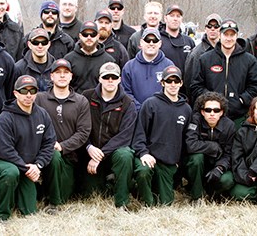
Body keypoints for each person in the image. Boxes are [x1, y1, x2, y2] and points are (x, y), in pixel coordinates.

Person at [0, 75, 56, 220]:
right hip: (9, 164)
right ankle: (3, 214)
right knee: (10, 173)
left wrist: (38, 165)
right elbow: (5, 150)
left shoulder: (42, 114)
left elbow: (49, 143)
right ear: (15, 93)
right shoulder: (5, 117)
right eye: (24, 91)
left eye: (32, 91)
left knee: (29, 212)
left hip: (30, 167)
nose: (28, 95)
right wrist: (26, 167)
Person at [35, 59, 91, 212]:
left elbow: (83, 132)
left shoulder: (80, 101)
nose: (62, 76)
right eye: (58, 73)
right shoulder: (39, 99)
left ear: (71, 76)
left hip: (70, 157)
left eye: (65, 73)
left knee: (65, 194)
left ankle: (50, 193)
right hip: (43, 156)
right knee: (53, 156)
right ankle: (52, 203)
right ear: (51, 76)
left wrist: (63, 146)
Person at [131, 65, 191, 206]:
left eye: (176, 81)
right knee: (143, 172)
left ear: (181, 83)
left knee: (166, 203)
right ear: (162, 83)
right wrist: (143, 153)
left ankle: (148, 190)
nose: (173, 85)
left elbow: (186, 140)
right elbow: (139, 134)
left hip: (169, 163)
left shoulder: (186, 109)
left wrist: (179, 161)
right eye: (169, 81)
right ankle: (146, 202)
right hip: (149, 158)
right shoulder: (150, 104)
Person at [80, 62, 136, 208]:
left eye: (114, 77)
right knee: (90, 194)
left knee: (126, 155)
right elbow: (79, 128)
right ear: (100, 79)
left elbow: (125, 136)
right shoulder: (86, 97)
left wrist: (101, 155)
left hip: (112, 154)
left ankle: (122, 201)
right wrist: (88, 147)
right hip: (89, 152)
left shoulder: (128, 103)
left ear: (119, 79)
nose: (110, 80)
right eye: (106, 77)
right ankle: (108, 181)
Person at [190, 19, 257, 124]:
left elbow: (256, 87)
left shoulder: (249, 60)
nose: (228, 38)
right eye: (226, 34)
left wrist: (241, 100)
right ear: (220, 35)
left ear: (237, 36)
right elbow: (196, 86)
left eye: (232, 35)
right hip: (211, 118)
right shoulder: (205, 59)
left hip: (239, 118)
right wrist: (212, 101)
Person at [184, 91, 236, 201]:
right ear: (202, 112)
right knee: (196, 158)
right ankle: (197, 196)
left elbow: (229, 153)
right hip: (198, 166)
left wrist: (220, 168)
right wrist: (213, 147)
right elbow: (190, 145)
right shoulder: (195, 120)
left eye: (216, 110)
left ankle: (213, 193)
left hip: (217, 164)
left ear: (222, 112)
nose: (212, 113)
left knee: (227, 180)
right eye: (208, 110)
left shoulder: (229, 126)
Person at [121, 28, 174, 111]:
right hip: (136, 114)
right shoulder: (129, 67)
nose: (151, 43)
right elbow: (125, 92)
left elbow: (172, 91)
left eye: (155, 40)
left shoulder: (168, 66)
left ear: (160, 43)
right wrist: (141, 109)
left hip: (160, 114)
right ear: (141, 42)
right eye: (147, 40)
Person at [64, 21, 116, 93]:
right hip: (75, 102)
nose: (89, 37)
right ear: (80, 36)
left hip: (99, 102)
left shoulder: (108, 61)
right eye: (85, 34)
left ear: (98, 36)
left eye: (93, 34)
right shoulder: (69, 59)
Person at [184, 13, 221, 103]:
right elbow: (190, 83)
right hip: (203, 104)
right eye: (209, 26)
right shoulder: (196, 54)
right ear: (205, 29)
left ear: (221, 29)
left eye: (216, 26)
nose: (212, 29)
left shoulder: (225, 51)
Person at [15, 28, 56, 92]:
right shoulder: (19, 68)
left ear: (49, 44)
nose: (40, 46)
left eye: (44, 42)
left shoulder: (56, 67)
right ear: (29, 44)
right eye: (35, 42)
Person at [160, 4, 195, 72]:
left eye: (178, 16)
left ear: (181, 19)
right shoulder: (158, 40)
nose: (175, 19)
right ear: (165, 18)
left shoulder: (189, 41)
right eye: (172, 15)